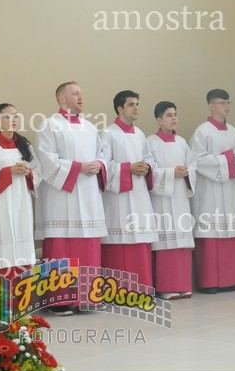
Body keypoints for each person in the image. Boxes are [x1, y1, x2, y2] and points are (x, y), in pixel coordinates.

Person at [35, 81, 108, 315]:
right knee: (62, 247)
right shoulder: (50, 125)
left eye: (81, 93)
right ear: (62, 99)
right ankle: (60, 301)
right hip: (61, 199)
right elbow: (46, 161)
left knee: (88, 246)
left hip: (87, 195)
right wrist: (78, 168)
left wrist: (99, 165)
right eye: (75, 93)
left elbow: (102, 154)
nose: (80, 97)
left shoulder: (90, 127)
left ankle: (87, 297)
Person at [191, 89, 235, 293]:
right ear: (211, 106)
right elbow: (197, 161)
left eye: (228, 102)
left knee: (233, 230)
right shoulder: (202, 132)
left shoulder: (234, 132)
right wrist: (227, 160)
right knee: (212, 231)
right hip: (210, 191)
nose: (226, 106)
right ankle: (211, 282)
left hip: (230, 189)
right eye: (222, 103)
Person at [100, 90, 158, 287]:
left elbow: (149, 160)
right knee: (121, 246)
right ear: (120, 109)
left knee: (140, 242)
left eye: (137, 104)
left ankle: (142, 289)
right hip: (119, 201)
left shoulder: (140, 134)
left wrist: (147, 167)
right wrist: (128, 169)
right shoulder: (108, 134)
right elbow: (103, 166)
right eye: (131, 104)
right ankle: (119, 291)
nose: (136, 108)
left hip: (139, 196)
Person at [0, 103, 39, 269]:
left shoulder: (25, 146)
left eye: (15, 116)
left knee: (23, 239)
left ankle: (24, 282)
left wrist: (29, 173)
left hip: (22, 202)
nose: (13, 120)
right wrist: (8, 171)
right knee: (3, 241)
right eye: (7, 117)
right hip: (2, 204)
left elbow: (38, 171)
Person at [146, 101, 196, 300]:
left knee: (182, 239)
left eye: (175, 114)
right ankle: (166, 287)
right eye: (168, 115)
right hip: (162, 200)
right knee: (165, 241)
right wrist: (171, 173)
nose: (173, 118)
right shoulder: (150, 143)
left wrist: (187, 172)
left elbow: (193, 165)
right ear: (159, 120)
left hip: (180, 196)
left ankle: (183, 285)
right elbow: (149, 171)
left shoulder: (182, 142)